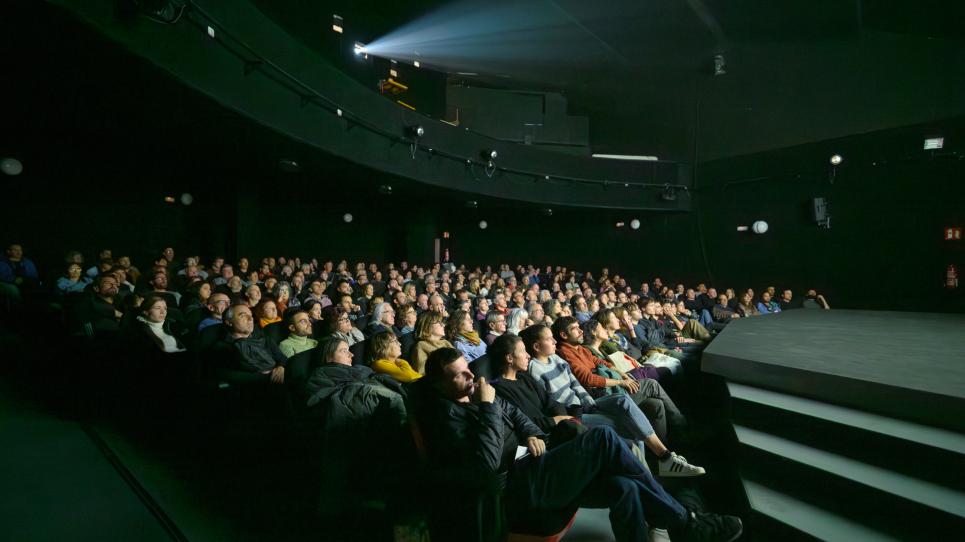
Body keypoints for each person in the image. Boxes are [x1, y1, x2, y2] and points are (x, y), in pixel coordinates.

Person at [413, 347, 742, 542]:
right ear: (441, 385)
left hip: (536, 462)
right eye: (460, 375)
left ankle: (680, 523)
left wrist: (531, 434)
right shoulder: (445, 417)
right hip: (514, 488)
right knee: (602, 437)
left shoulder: (476, 392)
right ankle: (686, 523)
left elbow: (516, 415)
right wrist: (486, 407)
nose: (471, 377)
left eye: (468, 370)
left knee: (624, 486)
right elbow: (485, 466)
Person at [220, 303, 286, 383]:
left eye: (251, 315)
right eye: (243, 315)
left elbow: (282, 358)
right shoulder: (223, 348)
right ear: (229, 322)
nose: (250, 319)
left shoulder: (263, 338)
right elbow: (230, 375)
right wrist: (268, 376)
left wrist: (281, 367)